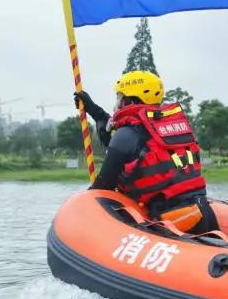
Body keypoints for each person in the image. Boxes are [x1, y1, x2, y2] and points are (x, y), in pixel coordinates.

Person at [76, 71, 217, 234]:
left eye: (119, 97)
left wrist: (82, 207)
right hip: (204, 212)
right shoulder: (165, 128)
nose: (116, 103)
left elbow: (104, 185)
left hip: (173, 222)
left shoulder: (126, 135)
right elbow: (136, 142)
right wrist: (95, 112)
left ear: (130, 99)